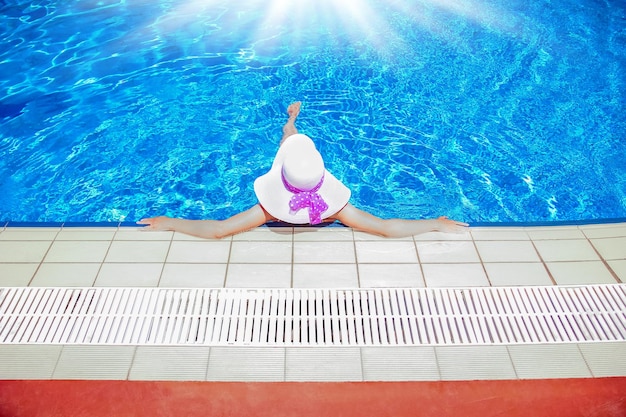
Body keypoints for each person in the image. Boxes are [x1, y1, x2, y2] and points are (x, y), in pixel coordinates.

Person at [138, 102, 469, 239]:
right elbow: (384, 227)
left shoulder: (269, 208)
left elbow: (219, 230)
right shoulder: (336, 208)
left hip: (294, 171)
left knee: (290, 137)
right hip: (305, 175)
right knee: (292, 137)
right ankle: (292, 118)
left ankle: (291, 119)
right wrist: (433, 225)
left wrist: (170, 222)